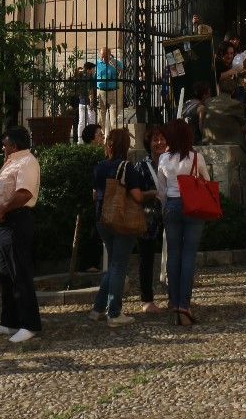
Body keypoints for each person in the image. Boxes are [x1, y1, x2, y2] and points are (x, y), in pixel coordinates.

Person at [0, 125, 42, 343]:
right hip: (1, 225)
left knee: (20, 273)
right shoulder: (13, 162)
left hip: (15, 222)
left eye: (5, 144)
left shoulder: (26, 162)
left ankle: (30, 324)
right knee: (6, 276)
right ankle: (9, 321)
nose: (2, 148)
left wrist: (1, 209)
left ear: (14, 145)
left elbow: (24, 193)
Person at [156, 118, 211, 327]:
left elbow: (161, 191)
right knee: (189, 256)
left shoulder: (163, 159)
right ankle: (184, 305)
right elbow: (206, 181)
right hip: (193, 207)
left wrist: (164, 210)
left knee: (173, 255)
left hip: (171, 205)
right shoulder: (196, 157)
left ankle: (173, 301)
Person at [89, 127, 146, 327]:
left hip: (102, 219)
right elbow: (137, 196)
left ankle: (97, 309)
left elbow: (95, 195)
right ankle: (114, 312)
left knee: (113, 264)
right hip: (122, 221)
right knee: (119, 266)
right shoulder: (127, 167)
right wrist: (153, 194)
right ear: (126, 145)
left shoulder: (100, 166)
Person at [135, 125, 167, 314]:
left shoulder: (170, 163)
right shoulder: (141, 166)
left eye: (162, 139)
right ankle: (146, 299)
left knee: (171, 257)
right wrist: (152, 193)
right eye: (155, 139)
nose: (159, 142)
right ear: (149, 143)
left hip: (169, 215)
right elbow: (136, 194)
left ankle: (174, 296)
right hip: (148, 219)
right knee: (146, 259)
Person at [95, 46, 120, 133]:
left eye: (105, 56)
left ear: (109, 55)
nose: (103, 58)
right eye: (102, 55)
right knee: (101, 116)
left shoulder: (114, 63)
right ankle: (101, 136)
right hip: (101, 91)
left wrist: (114, 64)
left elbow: (123, 71)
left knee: (113, 116)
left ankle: (113, 136)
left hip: (112, 91)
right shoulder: (97, 64)